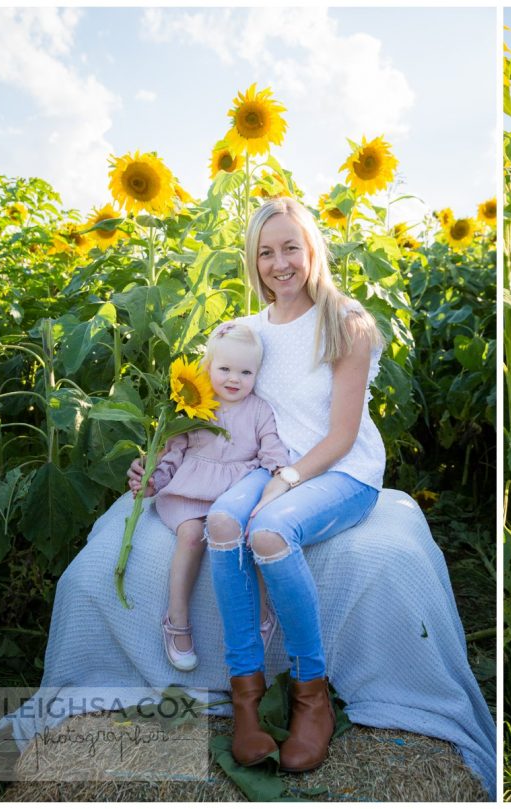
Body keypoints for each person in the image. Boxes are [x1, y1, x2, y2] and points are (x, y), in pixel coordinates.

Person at [128, 196, 385, 772]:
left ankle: (310, 696)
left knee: (268, 533)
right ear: (254, 262)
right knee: (222, 522)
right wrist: (159, 461)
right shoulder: (246, 331)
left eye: (291, 247)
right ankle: (246, 699)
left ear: (312, 249)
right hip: (265, 465)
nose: (280, 263)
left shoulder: (347, 325)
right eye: (266, 253)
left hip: (339, 470)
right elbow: (207, 413)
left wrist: (287, 481)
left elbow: (343, 435)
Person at [129, 321, 288, 672]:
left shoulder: (259, 410)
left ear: (257, 374)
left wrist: (279, 470)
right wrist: (154, 479)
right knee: (190, 535)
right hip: (190, 490)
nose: (234, 379)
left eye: (245, 372)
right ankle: (177, 620)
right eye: (225, 369)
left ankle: (259, 615)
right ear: (208, 368)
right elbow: (173, 451)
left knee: (249, 536)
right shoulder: (195, 405)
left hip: (234, 492)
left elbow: (271, 445)